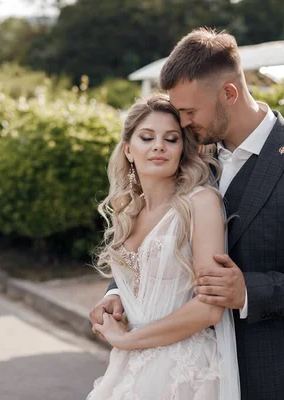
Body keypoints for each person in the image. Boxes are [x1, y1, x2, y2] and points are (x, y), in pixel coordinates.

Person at [91, 28, 284, 400]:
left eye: (189, 111)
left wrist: (250, 292)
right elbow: (158, 239)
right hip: (185, 373)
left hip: (274, 372)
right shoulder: (194, 157)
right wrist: (120, 291)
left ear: (229, 94)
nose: (183, 123)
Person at [86, 93, 241, 399]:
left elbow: (210, 309)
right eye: (147, 137)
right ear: (129, 150)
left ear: (182, 150)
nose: (159, 146)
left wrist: (129, 340)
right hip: (130, 363)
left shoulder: (201, 203)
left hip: (182, 368)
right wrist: (116, 296)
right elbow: (143, 278)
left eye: (171, 139)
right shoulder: (127, 209)